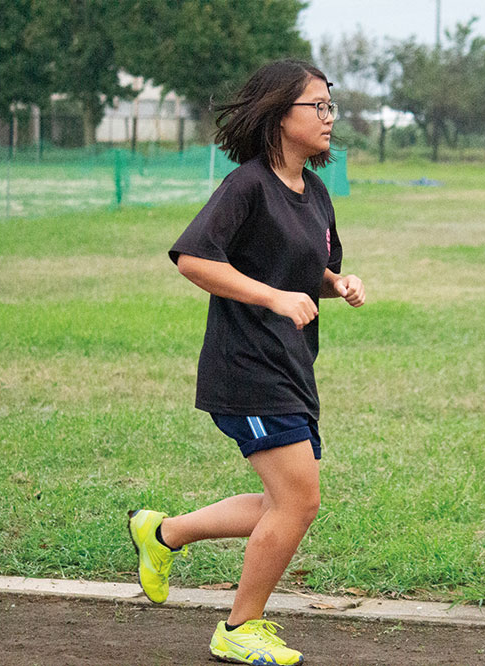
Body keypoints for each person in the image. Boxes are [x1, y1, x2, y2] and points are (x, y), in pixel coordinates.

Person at [127, 59, 365, 666]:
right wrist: (272, 296)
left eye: (330, 106)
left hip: (290, 365)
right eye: (318, 106)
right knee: (299, 502)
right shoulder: (247, 185)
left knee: (283, 503)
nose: (329, 117)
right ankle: (238, 627)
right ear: (280, 114)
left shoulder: (315, 192)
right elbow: (193, 259)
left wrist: (335, 283)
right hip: (247, 367)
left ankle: (163, 534)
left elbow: (300, 266)